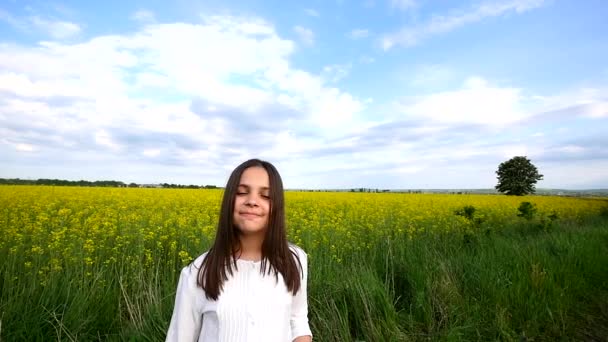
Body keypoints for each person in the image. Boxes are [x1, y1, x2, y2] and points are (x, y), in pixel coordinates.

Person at [166, 159, 312, 342]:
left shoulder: (294, 260)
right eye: (242, 192)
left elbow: (297, 320)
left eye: (266, 196)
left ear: (277, 207)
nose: (252, 201)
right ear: (229, 201)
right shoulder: (198, 271)